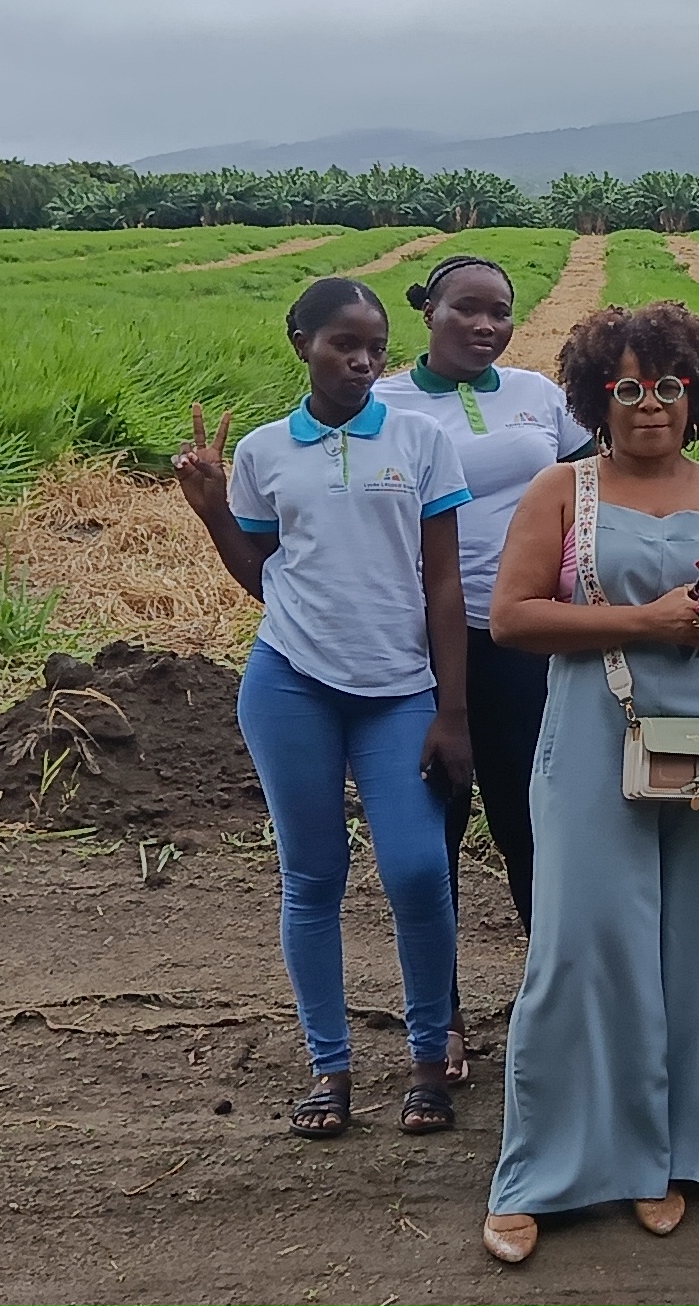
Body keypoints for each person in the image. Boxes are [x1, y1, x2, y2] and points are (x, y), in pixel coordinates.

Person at [477, 303, 699, 1264]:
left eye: (666, 385)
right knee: (577, 952)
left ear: (695, 395)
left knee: (698, 955)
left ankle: (668, 1158)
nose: (648, 403)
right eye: (625, 386)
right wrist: (644, 623)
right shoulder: (561, 491)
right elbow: (512, 618)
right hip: (592, 738)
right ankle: (540, 1173)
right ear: (595, 398)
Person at [170, 277, 472, 1140]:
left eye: (376, 347)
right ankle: (328, 1067)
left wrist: (453, 712)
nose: (363, 361)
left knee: (416, 870)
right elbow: (263, 577)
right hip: (291, 682)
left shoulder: (420, 440)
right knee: (312, 876)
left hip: (398, 689)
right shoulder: (267, 450)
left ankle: (428, 1060)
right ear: (301, 343)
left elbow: (444, 585)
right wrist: (213, 514)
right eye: (345, 344)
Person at [372, 254, 593, 932]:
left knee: (531, 816)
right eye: (466, 308)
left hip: (524, 634)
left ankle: (552, 982)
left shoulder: (538, 395)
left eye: (500, 312)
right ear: (428, 311)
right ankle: (437, 992)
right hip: (422, 636)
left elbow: (592, 488)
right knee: (432, 825)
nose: (485, 324)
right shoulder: (383, 405)